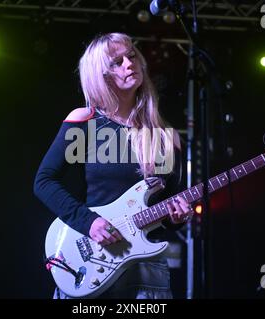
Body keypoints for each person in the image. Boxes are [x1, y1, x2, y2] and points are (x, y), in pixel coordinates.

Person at [34, 32, 194, 299]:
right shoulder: (84, 122)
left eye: (131, 56)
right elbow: (44, 181)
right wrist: (89, 222)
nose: (129, 64)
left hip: (146, 270)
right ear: (101, 75)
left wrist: (177, 218)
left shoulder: (167, 137)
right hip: (92, 259)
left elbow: (166, 208)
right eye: (116, 62)